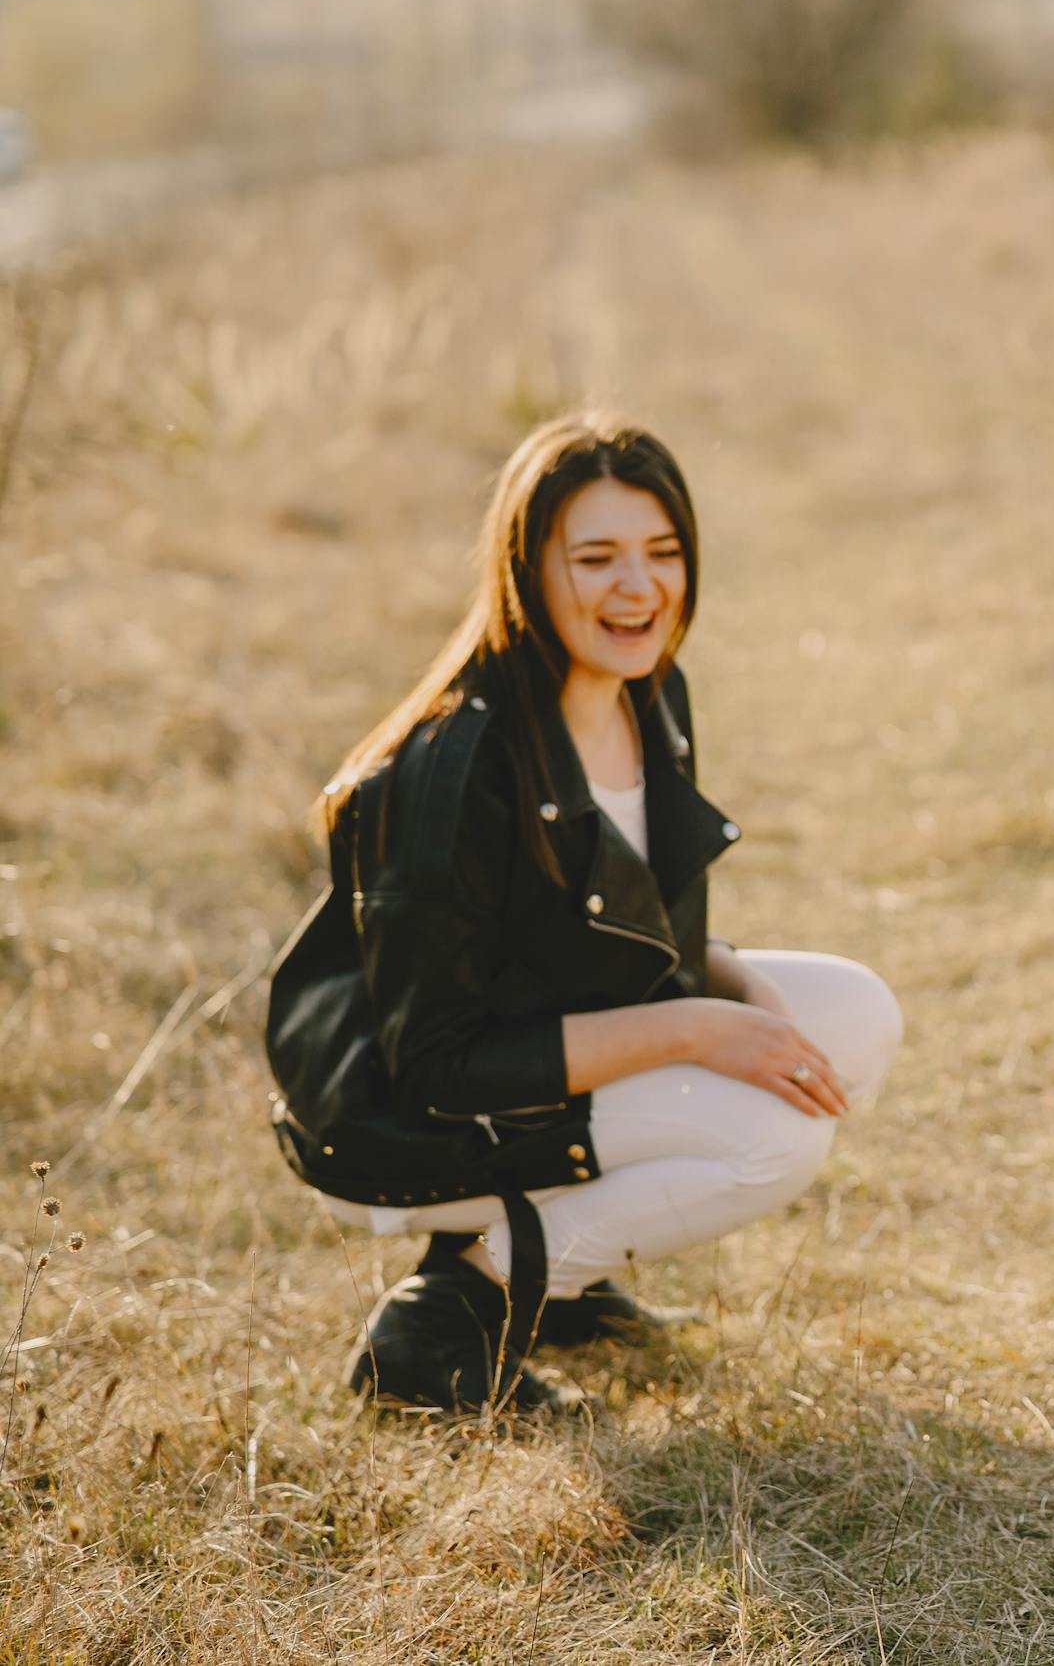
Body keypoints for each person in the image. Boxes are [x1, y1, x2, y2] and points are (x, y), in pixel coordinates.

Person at [264, 413, 901, 1411]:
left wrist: (732, 980)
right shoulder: (453, 768)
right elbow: (434, 1059)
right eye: (596, 557)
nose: (638, 588)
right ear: (527, 570)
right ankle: (451, 1316)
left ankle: (560, 1285)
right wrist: (699, 1026)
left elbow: (599, 934)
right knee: (775, 1139)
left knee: (857, 1015)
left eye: (663, 553)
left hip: (523, 1063)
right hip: (402, 1117)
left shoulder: (648, 693)